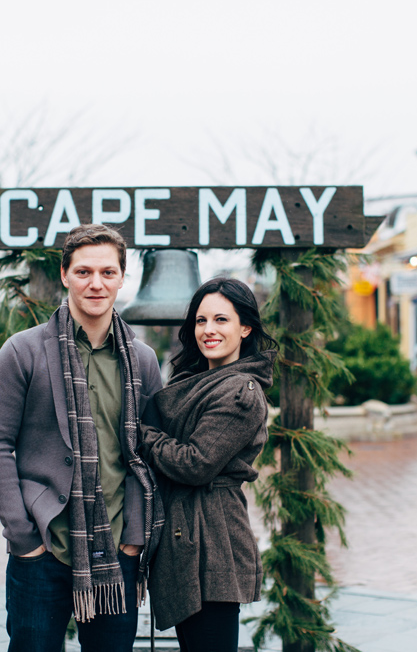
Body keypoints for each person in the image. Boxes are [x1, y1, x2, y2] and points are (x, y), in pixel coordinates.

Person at [0, 224, 164, 652]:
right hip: (42, 546)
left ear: (121, 277)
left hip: (117, 548)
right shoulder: (22, 351)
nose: (95, 283)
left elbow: (148, 451)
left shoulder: (143, 360)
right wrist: (23, 538)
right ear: (65, 275)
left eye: (107, 272)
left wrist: (135, 536)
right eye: (83, 272)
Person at [138, 278, 277, 652]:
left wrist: (141, 434)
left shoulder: (240, 391)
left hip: (213, 540)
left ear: (245, 328)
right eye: (201, 321)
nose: (208, 330)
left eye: (221, 320)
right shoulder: (197, 379)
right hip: (188, 535)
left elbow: (195, 463)